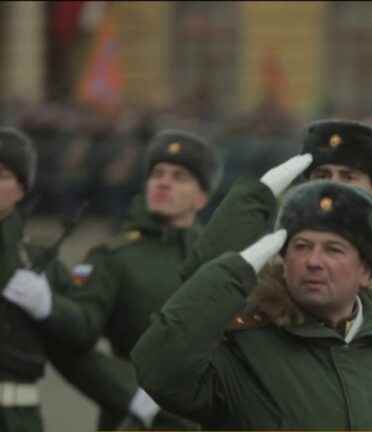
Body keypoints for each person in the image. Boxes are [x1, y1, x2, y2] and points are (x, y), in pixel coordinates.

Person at [131, 180, 372, 429]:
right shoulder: (242, 353)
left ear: (367, 271)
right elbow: (159, 370)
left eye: (333, 249)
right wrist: (233, 272)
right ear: (283, 258)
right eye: (301, 247)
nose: (313, 262)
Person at [180, 119, 372, 379]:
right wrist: (257, 195)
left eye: (348, 177)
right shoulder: (273, 253)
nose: (334, 185)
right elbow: (198, 280)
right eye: (321, 175)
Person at [12, 129, 219, 430]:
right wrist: (128, 391)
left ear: (201, 198)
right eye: (157, 174)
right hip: (138, 420)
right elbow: (74, 340)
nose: (163, 182)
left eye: (179, 177)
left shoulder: (221, 256)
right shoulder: (114, 257)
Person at [0, 127, 72, 432]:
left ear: (22, 188)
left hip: (18, 418)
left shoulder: (37, 261)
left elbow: (80, 343)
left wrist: (50, 308)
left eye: (1, 175)